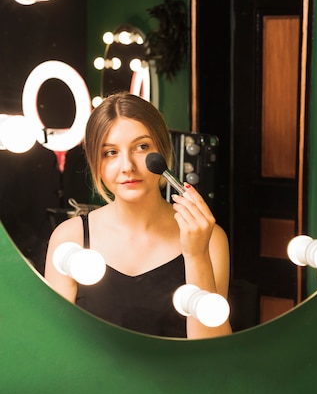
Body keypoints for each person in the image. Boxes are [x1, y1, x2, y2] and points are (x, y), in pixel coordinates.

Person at [44, 91, 232, 339]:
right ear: (95, 162)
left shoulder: (210, 239)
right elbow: (54, 345)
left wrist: (196, 255)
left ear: (163, 153)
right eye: (110, 152)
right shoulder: (71, 239)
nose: (127, 166)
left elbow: (213, 353)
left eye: (142, 147)